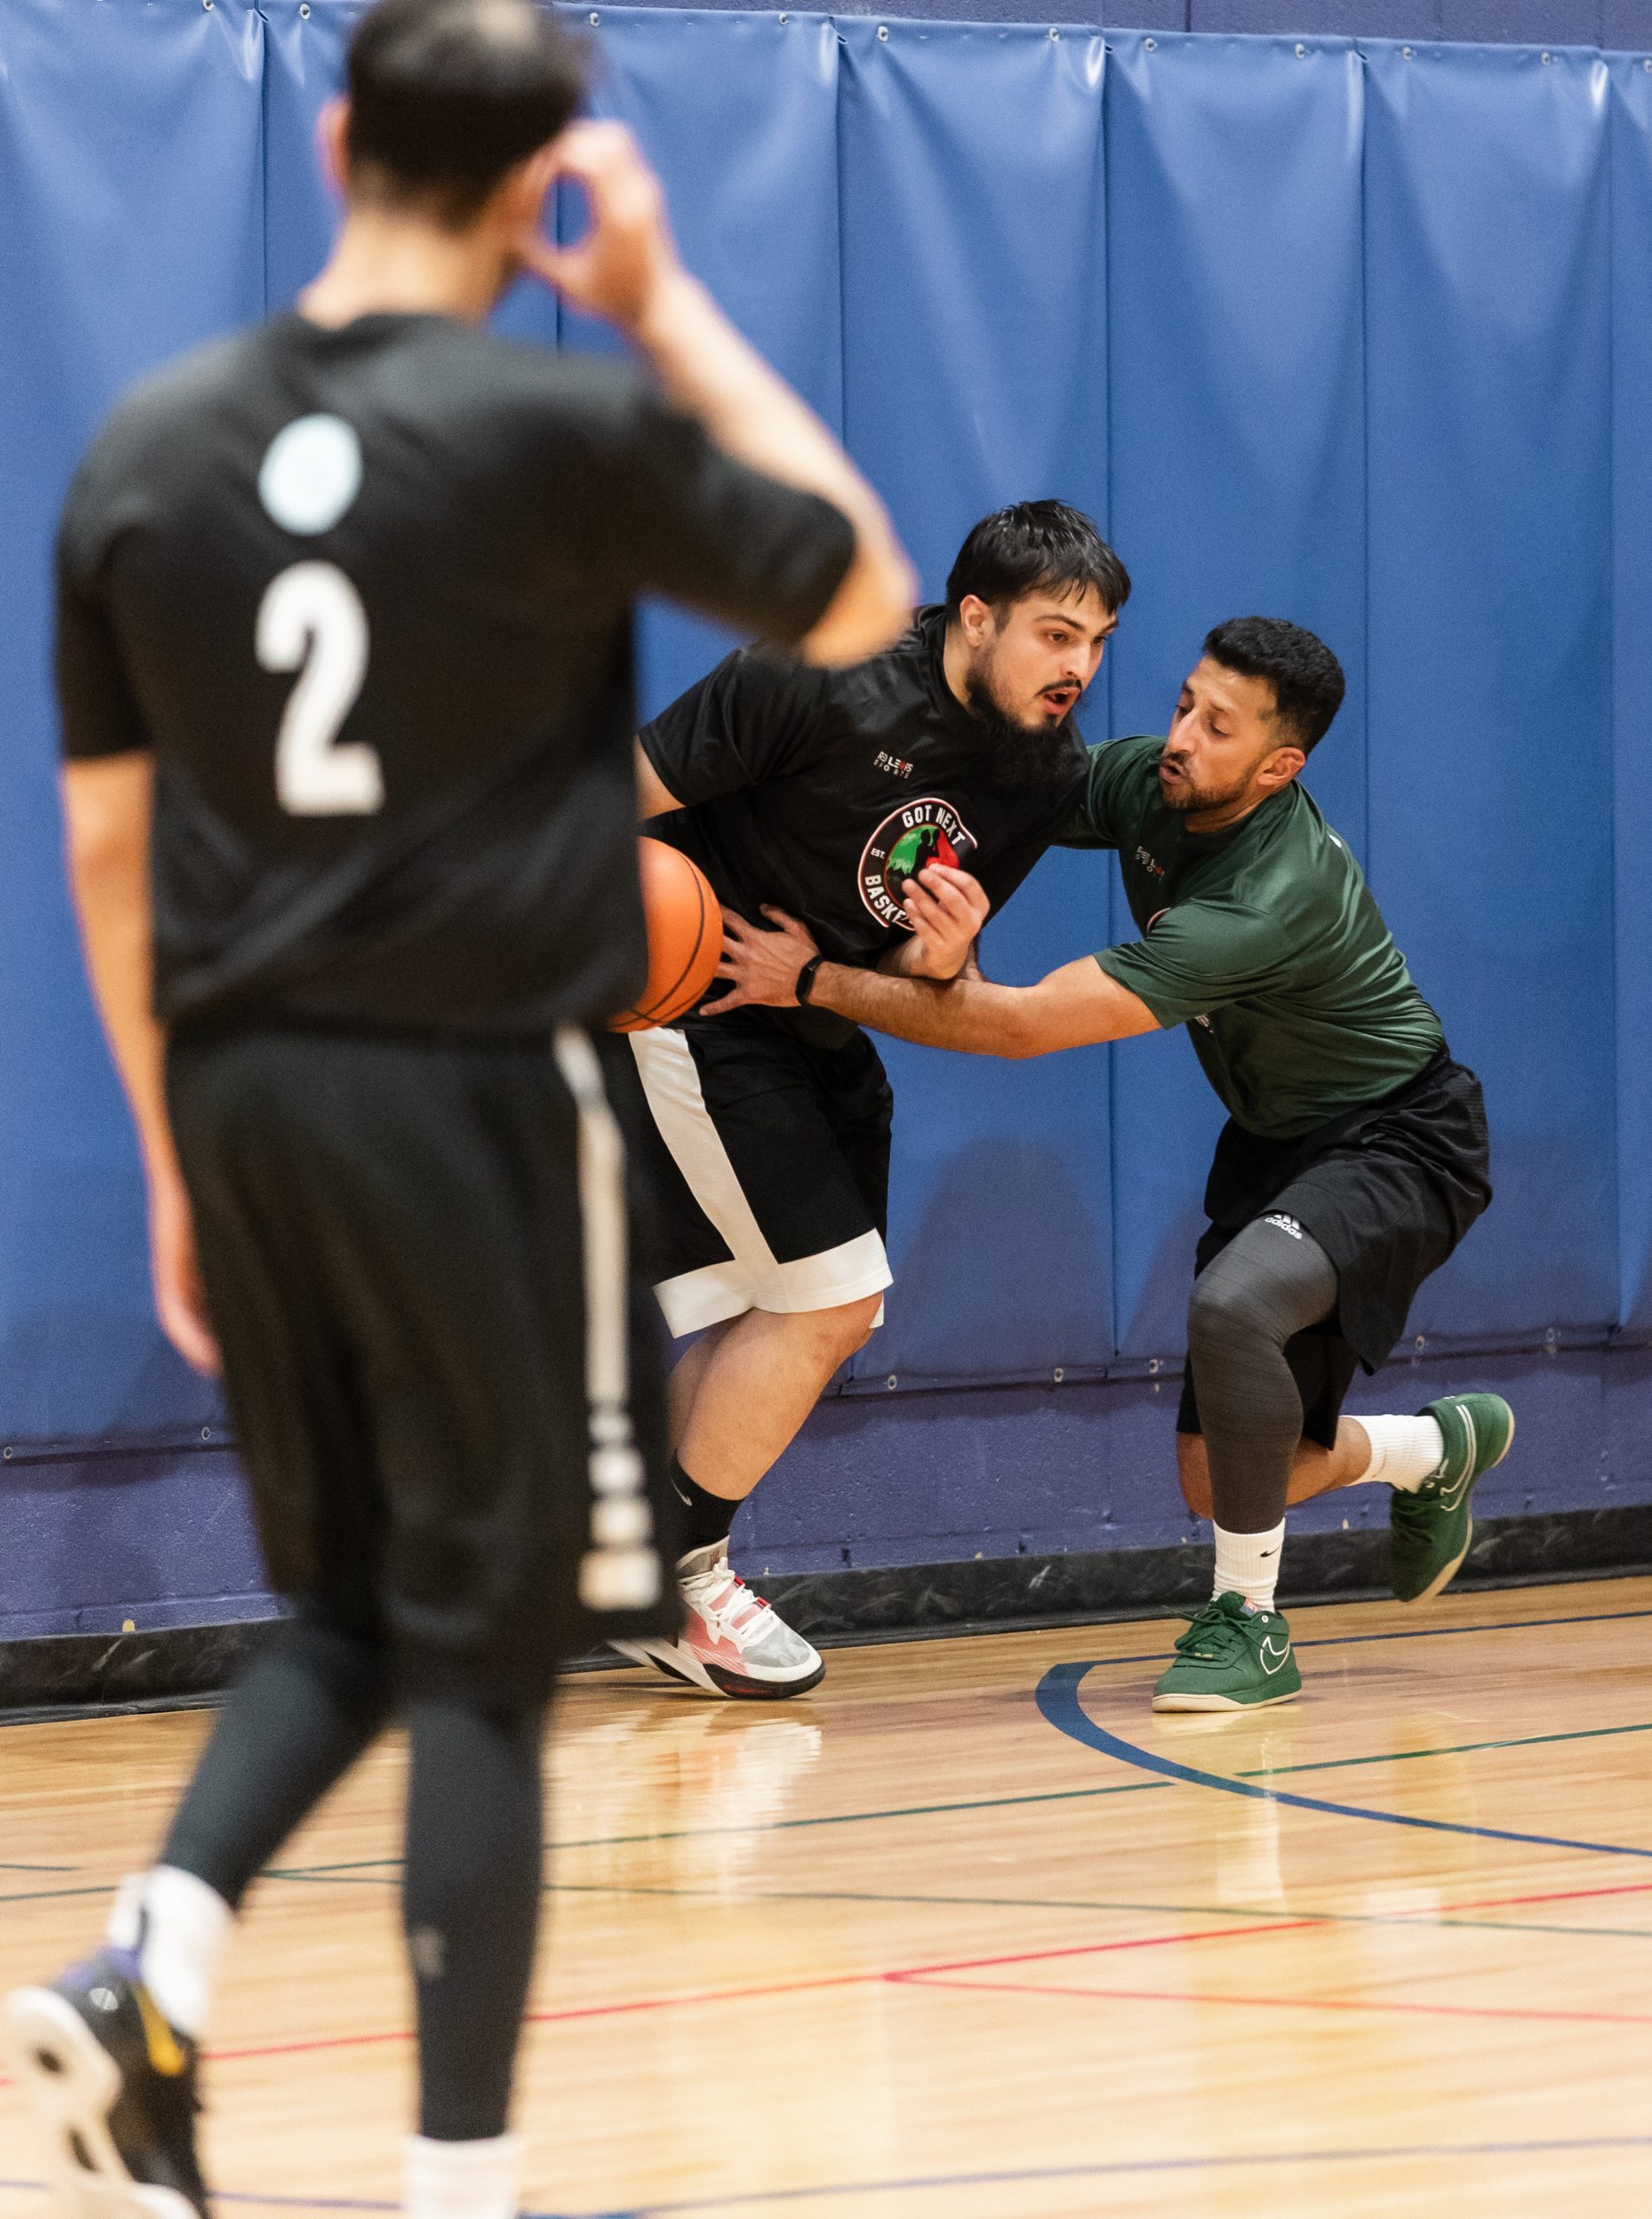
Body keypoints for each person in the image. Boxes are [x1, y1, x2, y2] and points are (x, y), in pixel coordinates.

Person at [0, 0, 914, 2209]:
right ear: (537, 192)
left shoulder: (146, 447)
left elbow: (112, 852)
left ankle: (155, 1966)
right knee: (492, 1658)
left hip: (251, 1087)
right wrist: (657, 301)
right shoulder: (555, 424)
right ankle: (455, 2181)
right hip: (479, 1095)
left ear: (334, 145)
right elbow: (865, 585)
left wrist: (176, 1150)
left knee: (359, 1600)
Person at [715, 616, 1512, 1715]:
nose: (1179, 736)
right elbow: (1009, 785)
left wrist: (812, 980)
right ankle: (1430, 1447)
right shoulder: (1156, 783)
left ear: (1279, 768)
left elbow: (1018, 1026)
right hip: (1275, 1141)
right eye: (1185, 703)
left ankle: (1249, 1627)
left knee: (1233, 1307)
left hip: (1403, 1137)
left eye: (1218, 727)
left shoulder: (1263, 900)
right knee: (1221, 1482)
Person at [613, 502, 1130, 1698]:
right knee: (831, 1297)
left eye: (1098, 643)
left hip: (815, 1015)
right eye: (1056, 636)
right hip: (694, 999)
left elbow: (922, 971)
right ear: (975, 617)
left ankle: (629, 1561)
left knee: (791, 1307)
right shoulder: (816, 673)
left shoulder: (1042, 770)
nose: (1079, 669)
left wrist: (942, 956)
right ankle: (671, 1584)